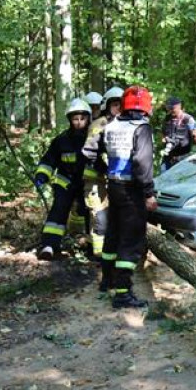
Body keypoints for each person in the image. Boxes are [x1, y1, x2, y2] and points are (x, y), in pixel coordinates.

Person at [91, 85, 157, 308]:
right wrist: (148, 193)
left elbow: (91, 151)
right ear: (146, 107)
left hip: (114, 186)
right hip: (132, 190)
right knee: (130, 241)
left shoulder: (112, 124)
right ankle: (123, 294)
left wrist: (104, 169)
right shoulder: (142, 128)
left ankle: (106, 281)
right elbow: (142, 163)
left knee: (113, 235)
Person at [33, 99, 92, 260]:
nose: (79, 122)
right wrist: (42, 176)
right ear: (70, 120)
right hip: (64, 182)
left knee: (88, 214)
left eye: (82, 119)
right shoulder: (62, 140)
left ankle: (89, 246)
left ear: (88, 119)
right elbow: (49, 160)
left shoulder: (94, 139)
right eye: (75, 119)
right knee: (58, 211)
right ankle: (49, 245)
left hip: (86, 184)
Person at [82, 86, 123, 263]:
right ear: (107, 105)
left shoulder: (123, 124)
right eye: (115, 104)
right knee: (98, 215)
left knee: (113, 215)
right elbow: (90, 152)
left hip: (115, 179)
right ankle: (97, 253)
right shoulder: (99, 125)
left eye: (121, 105)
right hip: (95, 178)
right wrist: (104, 167)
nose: (118, 108)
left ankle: (107, 249)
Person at [159, 97, 196, 173]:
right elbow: (162, 136)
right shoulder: (166, 119)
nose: (170, 110)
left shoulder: (188, 119)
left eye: (172, 108)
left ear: (179, 106)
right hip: (169, 157)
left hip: (184, 158)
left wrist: (194, 134)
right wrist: (165, 140)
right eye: (169, 108)